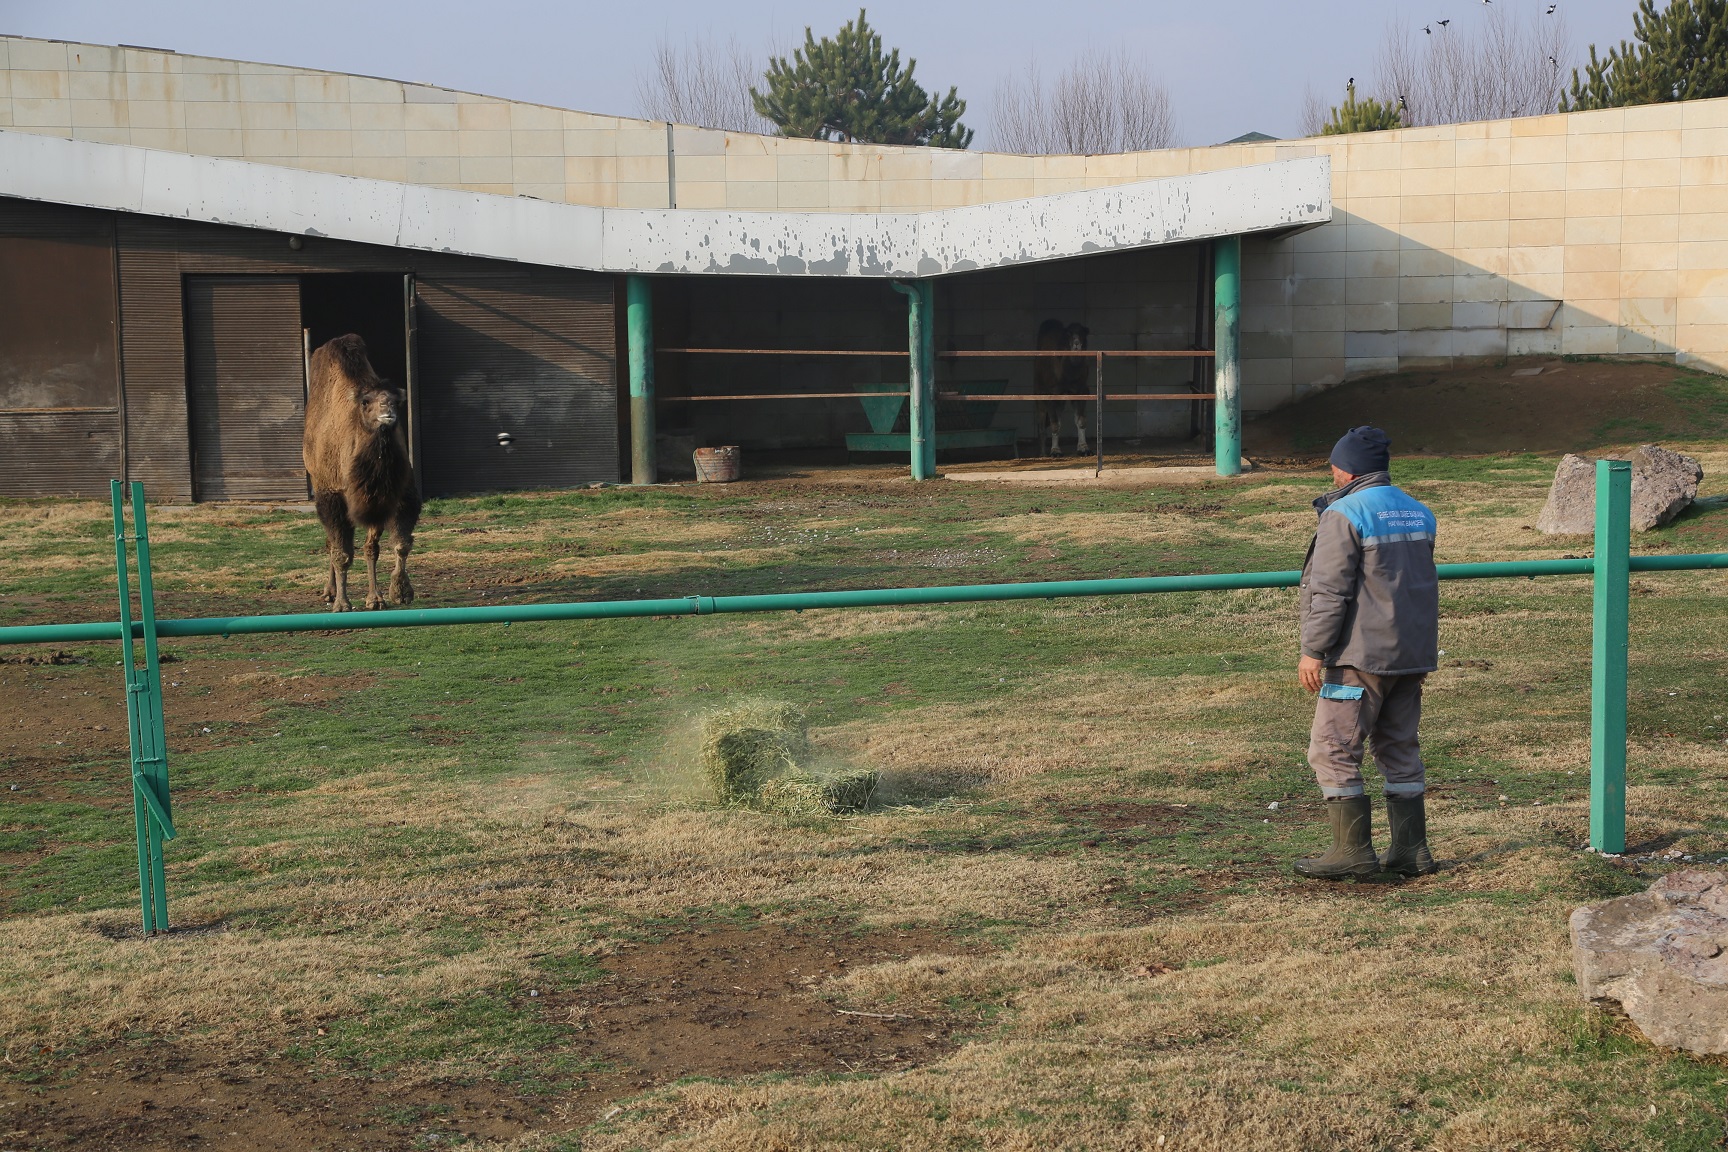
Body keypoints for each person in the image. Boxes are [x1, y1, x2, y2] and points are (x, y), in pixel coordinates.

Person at [1294, 426, 1440, 880]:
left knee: (1333, 747)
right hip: (1410, 655)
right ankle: (1411, 851)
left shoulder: (1345, 514)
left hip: (1359, 657)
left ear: (1345, 468)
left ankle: (1351, 852)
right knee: (1398, 746)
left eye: (1333, 464)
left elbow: (1330, 591)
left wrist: (1314, 650)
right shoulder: (1419, 512)